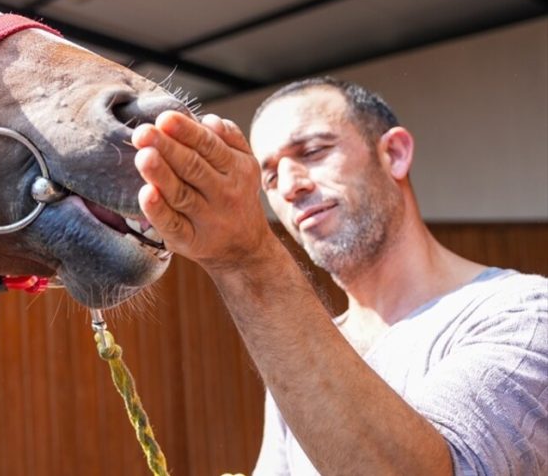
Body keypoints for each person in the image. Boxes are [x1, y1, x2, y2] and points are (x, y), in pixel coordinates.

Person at [130, 76, 547, 475]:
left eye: (313, 151)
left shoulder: (524, 313)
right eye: (269, 177)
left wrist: (244, 256)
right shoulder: (307, 347)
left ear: (395, 154)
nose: (289, 186)